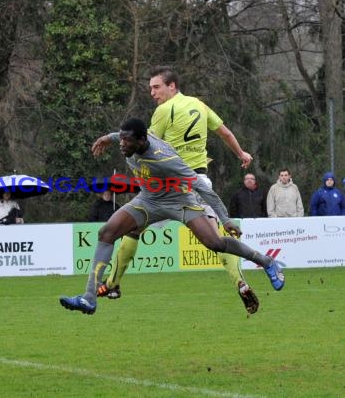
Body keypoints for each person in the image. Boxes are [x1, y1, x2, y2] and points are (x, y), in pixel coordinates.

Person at [59, 119, 284, 315]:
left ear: (141, 140)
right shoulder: (129, 141)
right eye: (121, 140)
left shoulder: (166, 159)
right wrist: (108, 138)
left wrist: (225, 220)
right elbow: (121, 135)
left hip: (180, 201)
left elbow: (203, 189)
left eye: (126, 141)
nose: (122, 145)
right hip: (148, 200)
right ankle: (89, 297)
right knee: (106, 232)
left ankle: (266, 261)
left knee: (214, 242)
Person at [98, 65, 259, 314]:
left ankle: (114, 283)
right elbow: (224, 132)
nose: (152, 93)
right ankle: (240, 282)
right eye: (151, 88)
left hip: (168, 187)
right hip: (200, 179)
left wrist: (115, 141)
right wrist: (241, 153)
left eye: (156, 87)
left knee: (132, 230)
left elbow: (145, 144)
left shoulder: (164, 110)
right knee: (216, 238)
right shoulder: (199, 105)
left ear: (172, 86)